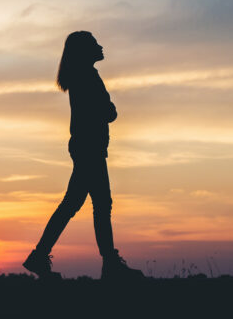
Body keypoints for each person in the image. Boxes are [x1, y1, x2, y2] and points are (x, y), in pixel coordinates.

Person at [22, 31, 144, 280]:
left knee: (77, 205)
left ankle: (41, 256)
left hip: (87, 147)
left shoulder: (83, 76)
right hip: (90, 149)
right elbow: (106, 111)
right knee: (99, 205)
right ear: (84, 51)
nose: (100, 47)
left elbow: (103, 110)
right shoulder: (87, 76)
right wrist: (109, 109)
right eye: (94, 44)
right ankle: (110, 265)